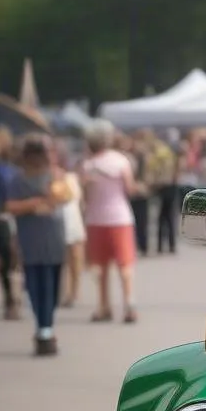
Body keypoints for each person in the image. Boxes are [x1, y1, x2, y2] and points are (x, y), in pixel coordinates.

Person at [2, 136, 67, 355]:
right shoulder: (18, 180)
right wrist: (37, 201)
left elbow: (65, 197)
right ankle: (44, 329)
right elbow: (11, 206)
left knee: (52, 284)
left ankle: (45, 326)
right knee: (37, 285)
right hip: (31, 238)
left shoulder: (55, 174)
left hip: (53, 236)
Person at [81, 119, 139, 322]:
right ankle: (129, 304)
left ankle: (103, 306)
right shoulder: (121, 161)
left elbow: (85, 195)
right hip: (120, 217)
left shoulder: (88, 165)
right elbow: (129, 189)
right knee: (124, 265)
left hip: (95, 218)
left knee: (100, 266)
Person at [53, 142, 86, 307]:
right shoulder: (50, 176)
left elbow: (78, 199)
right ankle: (63, 292)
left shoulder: (71, 177)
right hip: (57, 220)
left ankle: (74, 291)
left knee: (75, 257)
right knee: (62, 258)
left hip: (73, 219)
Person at [0, 125, 22, 319]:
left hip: (5, 219)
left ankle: (12, 299)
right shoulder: (10, 171)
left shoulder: (9, 170)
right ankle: (11, 300)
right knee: (9, 262)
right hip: (6, 219)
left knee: (9, 262)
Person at [147, 131, 180, 253]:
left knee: (161, 217)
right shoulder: (170, 154)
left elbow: (153, 170)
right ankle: (171, 245)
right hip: (171, 185)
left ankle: (160, 245)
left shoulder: (158, 154)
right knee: (170, 217)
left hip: (161, 186)